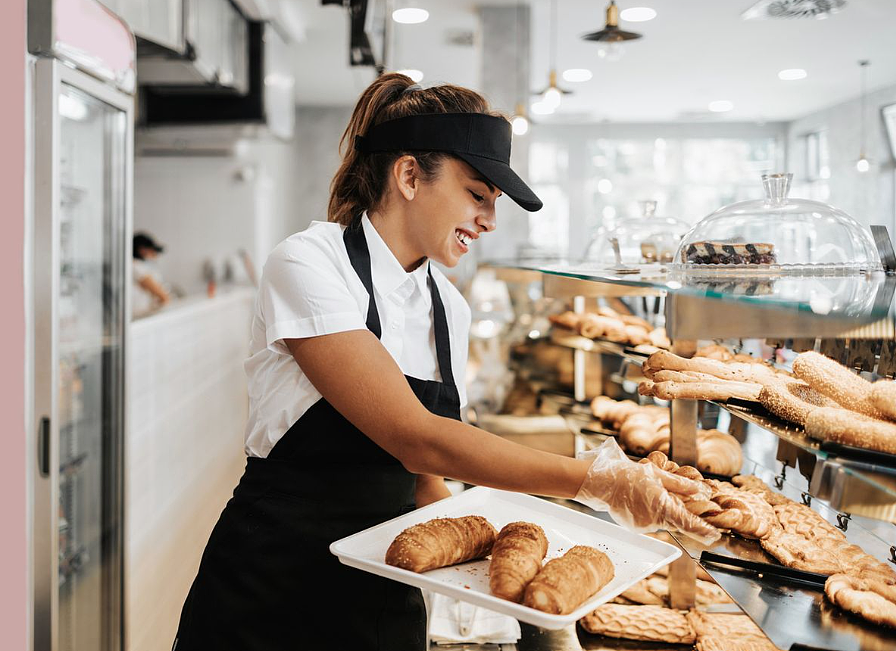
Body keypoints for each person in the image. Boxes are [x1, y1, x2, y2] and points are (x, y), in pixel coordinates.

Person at [172, 74, 716, 651]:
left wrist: (490, 577)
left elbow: (423, 478)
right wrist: (596, 480)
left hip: (387, 583)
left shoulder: (447, 306)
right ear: (409, 176)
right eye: (476, 194)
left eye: (494, 204)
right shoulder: (309, 265)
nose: (489, 221)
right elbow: (417, 438)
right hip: (273, 584)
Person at [132, 232, 170, 316]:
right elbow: (162, 296)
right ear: (142, 250)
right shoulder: (136, 267)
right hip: (140, 314)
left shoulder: (139, 266)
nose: (155, 255)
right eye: (152, 251)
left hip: (142, 314)